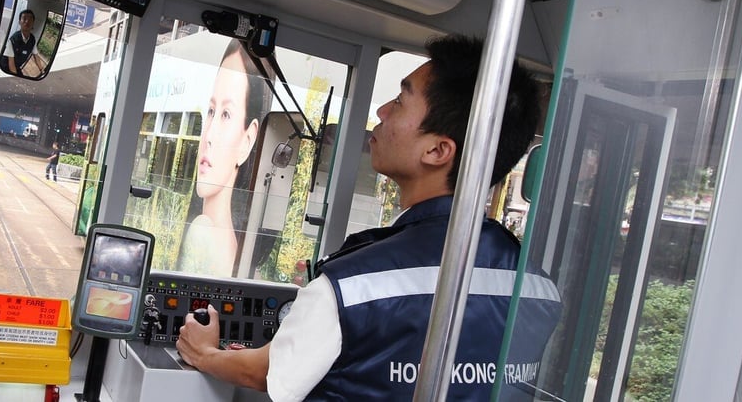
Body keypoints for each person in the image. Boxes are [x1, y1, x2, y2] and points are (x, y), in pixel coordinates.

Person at [176, 34, 562, 401]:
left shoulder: (350, 287)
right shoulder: (540, 291)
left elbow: (262, 372)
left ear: (438, 150)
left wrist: (205, 352)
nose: (381, 111)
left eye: (399, 100)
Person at [176, 38, 272, 277]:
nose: (208, 135)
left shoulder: (202, 231)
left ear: (247, 140)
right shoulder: (239, 247)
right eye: (211, 111)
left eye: (226, 114)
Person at [3, 9, 36, 76]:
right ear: (19, 22)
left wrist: (42, 70)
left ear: (33, 23)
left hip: (17, 68)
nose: (27, 21)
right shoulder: (13, 40)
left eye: (30, 20)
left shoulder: (32, 39)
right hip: (6, 69)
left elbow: (36, 55)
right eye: (24, 19)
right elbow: (11, 66)